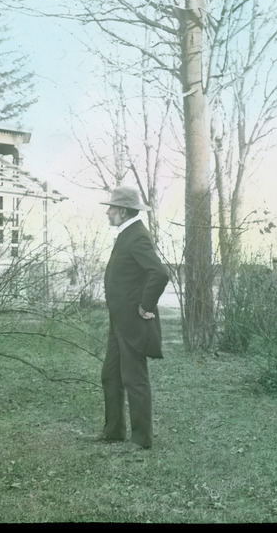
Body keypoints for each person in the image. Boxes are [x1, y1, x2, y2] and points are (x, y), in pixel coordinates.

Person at [99, 186, 170, 449]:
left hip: (133, 320)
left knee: (134, 378)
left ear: (124, 211)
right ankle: (113, 431)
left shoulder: (137, 236)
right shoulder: (126, 234)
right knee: (110, 375)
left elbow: (160, 273)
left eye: (112, 208)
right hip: (119, 320)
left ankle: (141, 439)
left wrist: (145, 305)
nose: (108, 212)